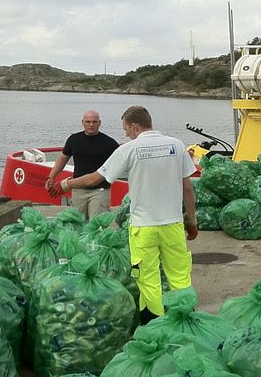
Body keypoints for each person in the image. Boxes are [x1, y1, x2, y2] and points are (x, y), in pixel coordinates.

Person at [49, 105, 199, 323]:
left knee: (148, 280)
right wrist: (192, 221)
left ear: (135, 126)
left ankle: (155, 325)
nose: (126, 134)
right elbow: (187, 188)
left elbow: (94, 179)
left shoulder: (128, 150)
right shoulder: (176, 146)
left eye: (126, 129)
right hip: (173, 225)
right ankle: (186, 320)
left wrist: (64, 184)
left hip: (143, 228)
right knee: (179, 276)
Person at [45, 110, 120, 218]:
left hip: (100, 191)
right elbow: (62, 159)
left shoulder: (110, 143)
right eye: (88, 121)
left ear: (99, 123)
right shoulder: (73, 140)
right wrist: (51, 177)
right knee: (77, 224)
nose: (91, 125)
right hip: (78, 190)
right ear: (82, 122)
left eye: (94, 122)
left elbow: (119, 163)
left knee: (97, 225)